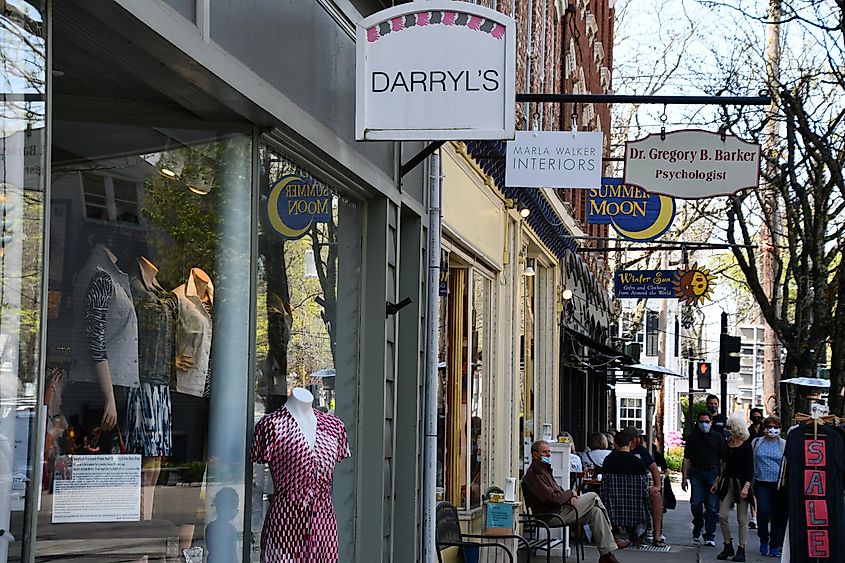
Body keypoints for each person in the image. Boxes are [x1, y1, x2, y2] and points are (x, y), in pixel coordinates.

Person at [522, 440, 629, 563]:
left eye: (549, 451)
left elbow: (559, 492)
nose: (548, 455)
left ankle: (606, 555)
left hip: (558, 510)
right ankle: (612, 536)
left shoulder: (544, 470)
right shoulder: (535, 474)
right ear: (535, 455)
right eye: (544, 452)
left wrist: (568, 497)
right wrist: (571, 493)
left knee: (595, 512)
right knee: (593, 496)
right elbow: (552, 499)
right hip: (551, 515)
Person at [603, 429, 664, 547]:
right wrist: (657, 486)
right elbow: (651, 471)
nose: (639, 439)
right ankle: (652, 535)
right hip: (636, 501)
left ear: (615, 443)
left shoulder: (609, 459)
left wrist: (657, 486)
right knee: (656, 497)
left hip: (614, 500)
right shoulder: (639, 463)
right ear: (630, 441)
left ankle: (611, 535)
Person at [712, 412, 753, 562]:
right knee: (722, 515)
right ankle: (727, 544)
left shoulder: (746, 446)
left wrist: (747, 486)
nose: (727, 430)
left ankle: (742, 548)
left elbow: (750, 468)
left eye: (730, 427)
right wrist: (717, 482)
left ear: (736, 428)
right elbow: (723, 465)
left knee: (742, 518)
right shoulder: (727, 444)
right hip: (727, 482)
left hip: (741, 483)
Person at [682, 411, 724, 547]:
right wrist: (684, 477)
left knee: (712, 507)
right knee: (696, 503)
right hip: (697, 472)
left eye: (707, 421)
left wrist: (720, 478)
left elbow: (723, 459)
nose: (704, 424)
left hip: (713, 472)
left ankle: (710, 535)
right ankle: (698, 525)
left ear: (711, 422)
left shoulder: (718, 438)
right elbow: (687, 458)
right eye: (702, 422)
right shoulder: (693, 438)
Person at [751, 416, 786, 558]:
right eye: (770, 426)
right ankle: (764, 540)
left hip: (779, 485)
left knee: (778, 515)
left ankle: (775, 544)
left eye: (776, 426)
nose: (772, 429)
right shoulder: (757, 442)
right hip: (761, 482)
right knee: (763, 512)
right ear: (764, 428)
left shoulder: (784, 444)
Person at [627, 429, 665, 546]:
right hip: (623, 490)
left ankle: (657, 536)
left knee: (656, 496)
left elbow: (653, 468)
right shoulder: (619, 451)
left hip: (640, 488)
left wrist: (657, 486)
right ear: (634, 439)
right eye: (638, 437)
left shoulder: (641, 451)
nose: (640, 439)